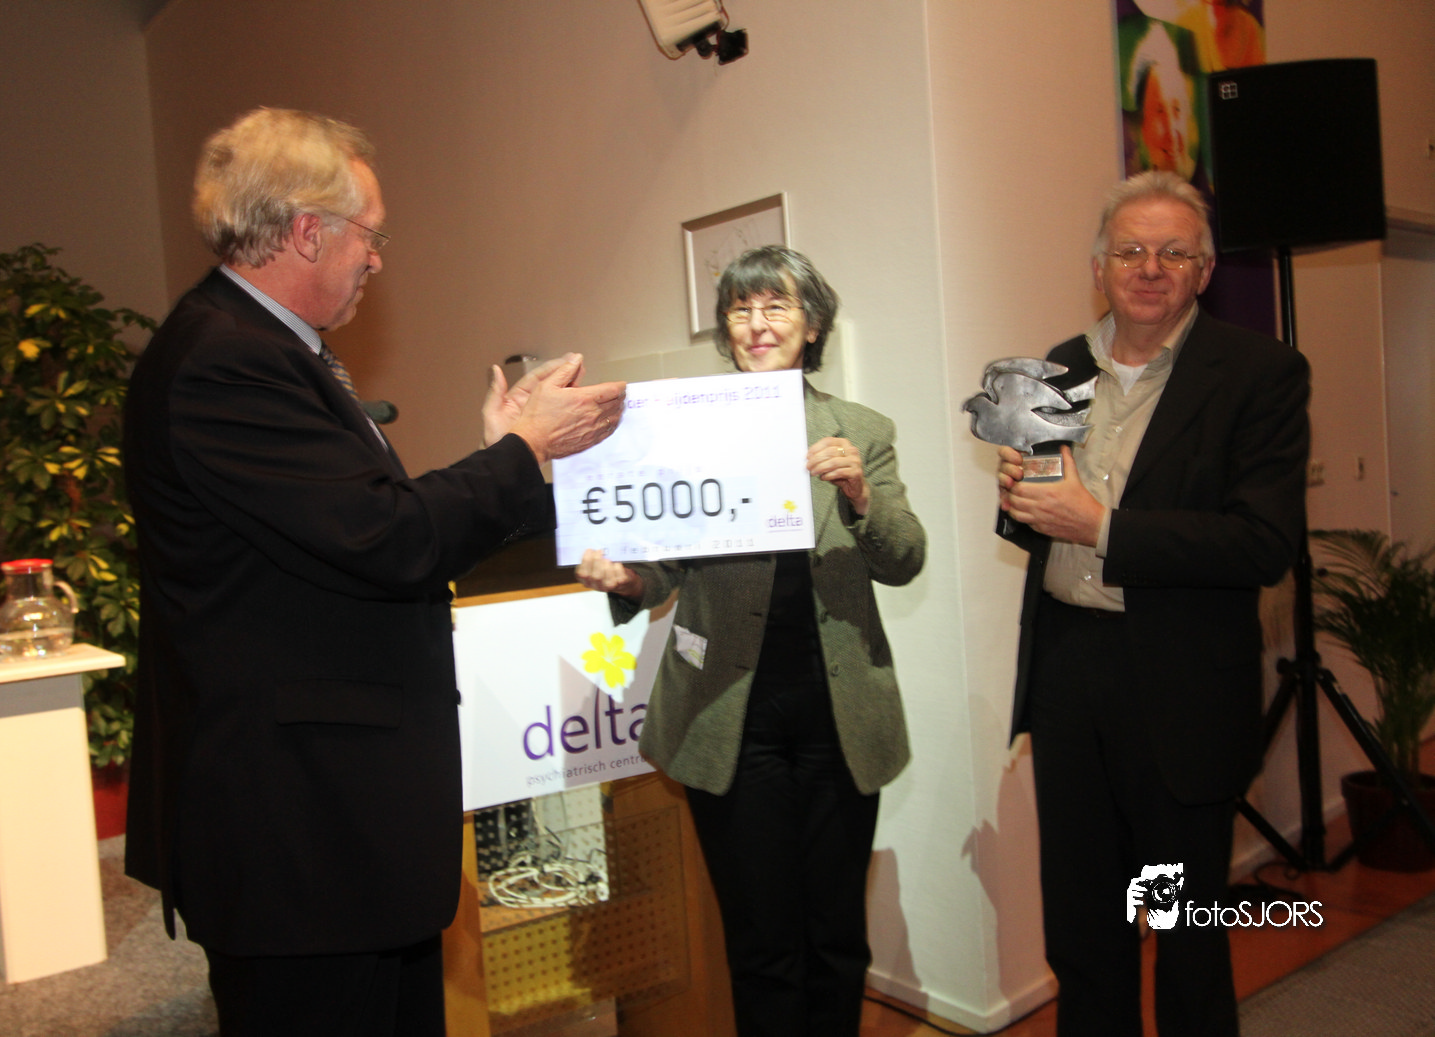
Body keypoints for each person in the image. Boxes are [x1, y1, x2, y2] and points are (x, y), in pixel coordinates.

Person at [122, 107, 626, 1037]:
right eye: (370, 234)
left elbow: (351, 524)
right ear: (307, 231)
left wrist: (500, 449)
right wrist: (521, 450)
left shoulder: (266, 347)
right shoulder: (224, 362)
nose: (377, 259)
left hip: (335, 820)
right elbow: (387, 538)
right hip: (295, 826)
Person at [576, 246, 925, 1037]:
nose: (757, 324)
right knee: (762, 944)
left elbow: (905, 559)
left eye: (776, 306)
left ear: (813, 325)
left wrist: (861, 496)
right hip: (726, 716)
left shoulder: (860, 431)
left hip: (840, 716)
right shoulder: (685, 429)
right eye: (740, 309)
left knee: (835, 938)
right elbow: (660, 566)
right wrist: (625, 578)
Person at [995, 171, 1310, 1037]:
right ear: (1098, 266)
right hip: (1067, 672)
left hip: (1179, 682)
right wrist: (1016, 493)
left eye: (1173, 252)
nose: (1148, 267)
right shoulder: (1056, 366)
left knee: (1184, 929)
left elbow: (1261, 542)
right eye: (1130, 249)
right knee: (1081, 924)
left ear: (1204, 270)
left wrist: (1102, 526)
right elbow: (1029, 520)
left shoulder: (1260, 373)